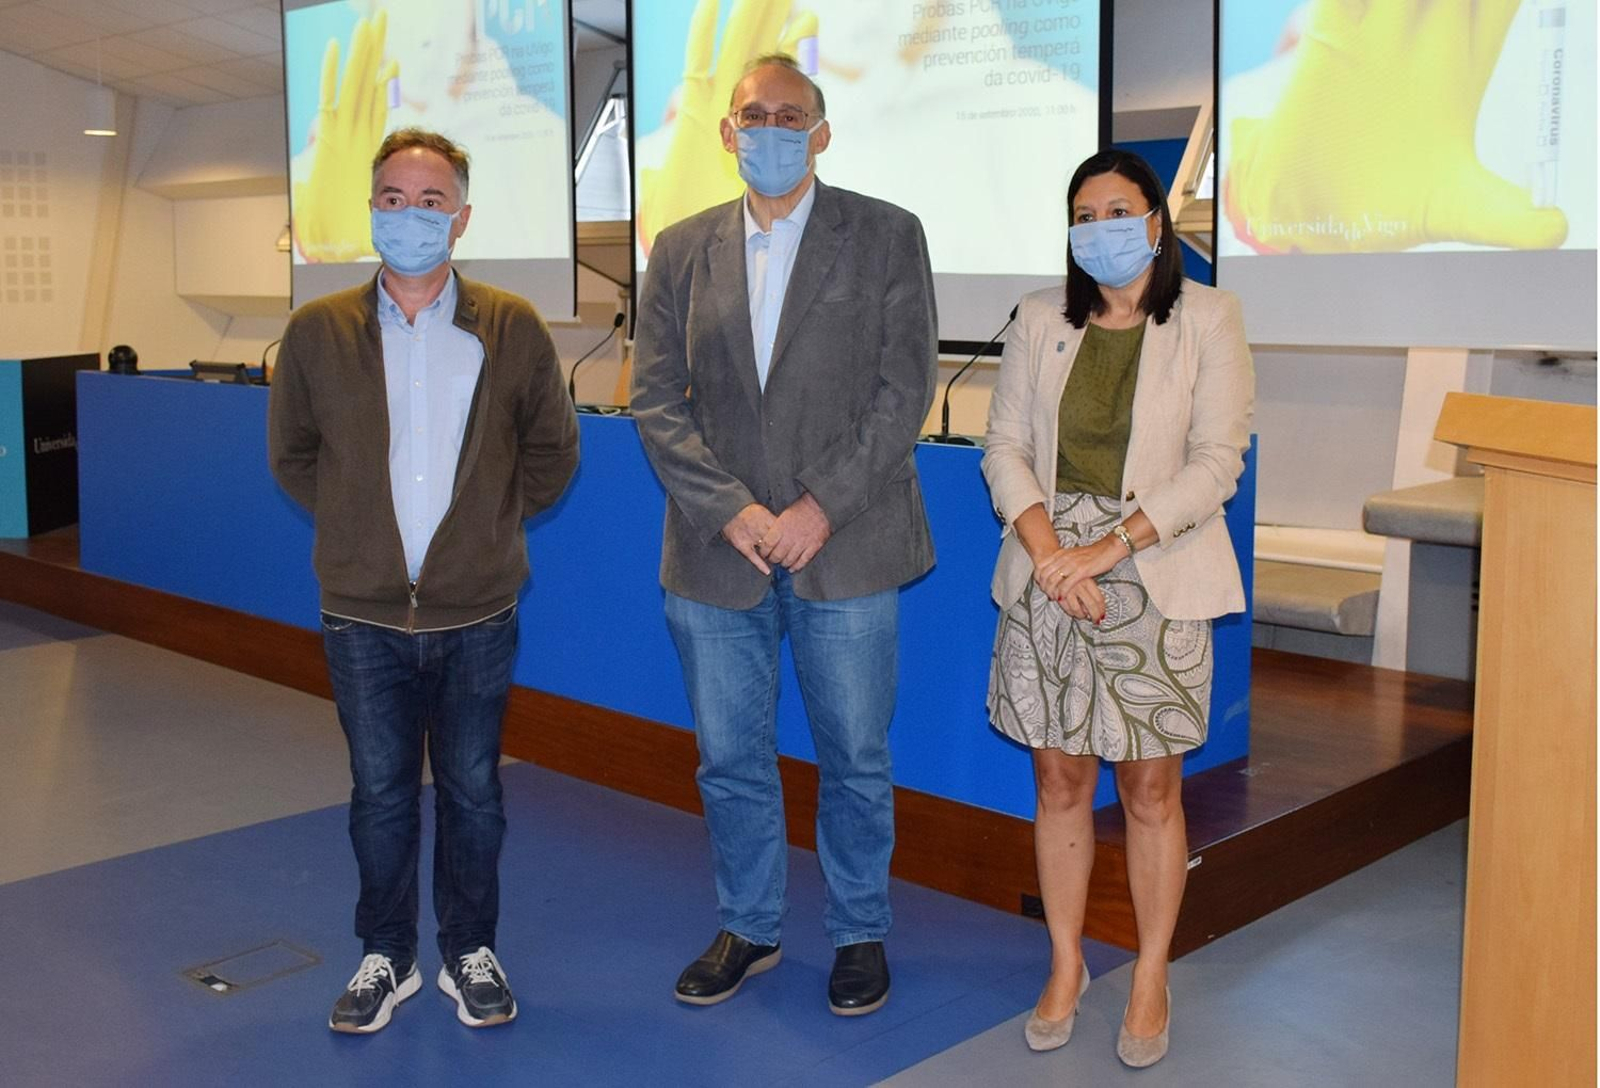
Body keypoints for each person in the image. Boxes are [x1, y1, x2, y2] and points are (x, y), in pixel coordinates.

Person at [630, 53, 938, 1016]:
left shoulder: (887, 236)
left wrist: (817, 508)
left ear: (822, 131)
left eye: (789, 115)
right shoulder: (679, 250)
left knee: (854, 756)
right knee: (729, 757)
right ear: (726, 132)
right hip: (716, 551)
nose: (770, 131)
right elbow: (654, 401)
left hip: (843, 544)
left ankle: (858, 932)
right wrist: (734, 509)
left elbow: (903, 395)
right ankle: (750, 925)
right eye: (752, 116)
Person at [269, 128, 579, 1034]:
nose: (411, 216)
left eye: (431, 201)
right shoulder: (317, 332)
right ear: (371, 212)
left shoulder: (511, 325)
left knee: (476, 790)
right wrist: (359, 534)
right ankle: (386, 955)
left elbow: (553, 453)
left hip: (478, 613)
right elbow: (293, 457)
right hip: (360, 617)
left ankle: (470, 950)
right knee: (380, 794)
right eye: (394, 200)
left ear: (463, 217)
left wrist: (483, 532)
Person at [981, 148, 1253, 1068]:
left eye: (1117, 210)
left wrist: (1110, 546)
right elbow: (1004, 448)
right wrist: (1055, 556)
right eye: (1083, 213)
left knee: (1149, 789)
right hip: (1049, 569)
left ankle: (1148, 972)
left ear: (1155, 223)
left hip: (1157, 565)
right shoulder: (1036, 319)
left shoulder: (1210, 318)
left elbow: (1218, 462)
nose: (1099, 228)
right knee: (1059, 781)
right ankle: (1065, 964)